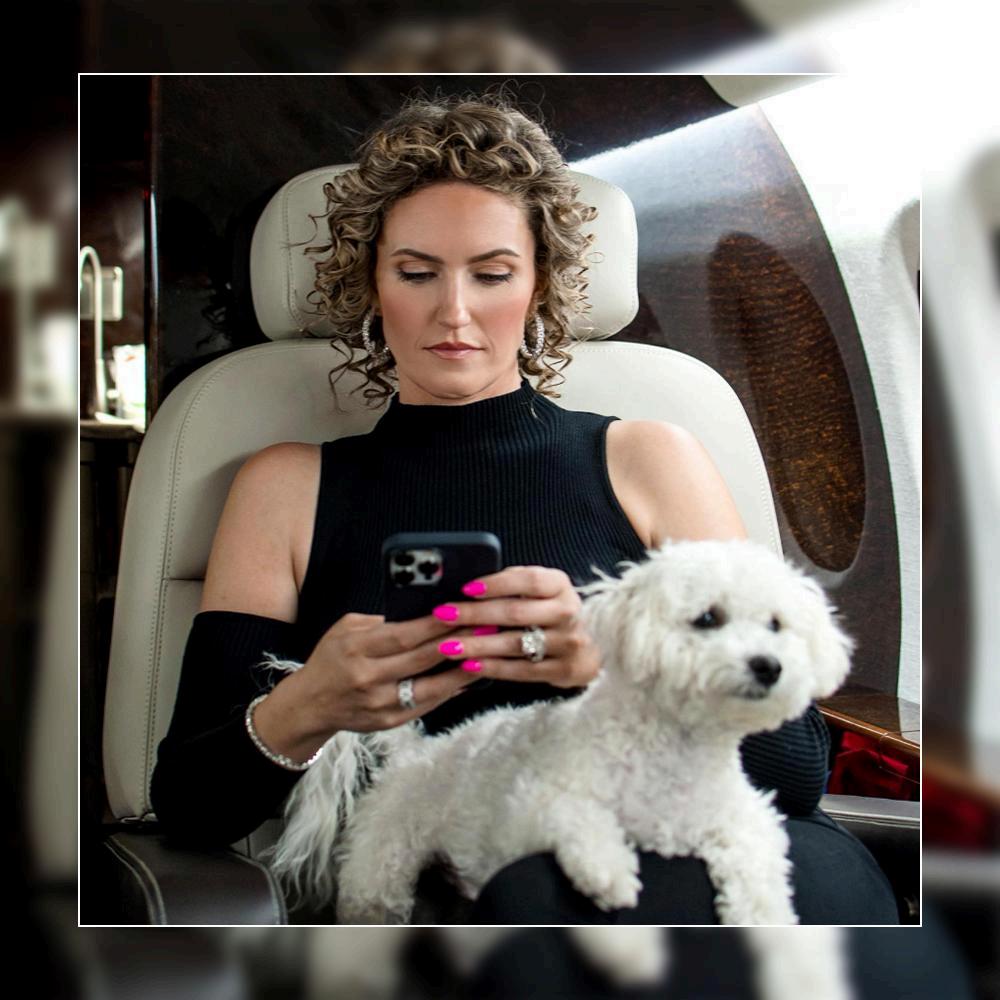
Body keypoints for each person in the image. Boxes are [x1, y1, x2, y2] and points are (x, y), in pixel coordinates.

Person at [149, 94, 897, 934]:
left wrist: (613, 666)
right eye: (417, 273)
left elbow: (796, 770)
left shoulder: (652, 459)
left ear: (540, 282)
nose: (454, 312)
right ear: (371, 284)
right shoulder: (285, 487)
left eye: (493, 273)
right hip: (486, 882)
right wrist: (311, 704)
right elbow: (189, 803)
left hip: (727, 860)